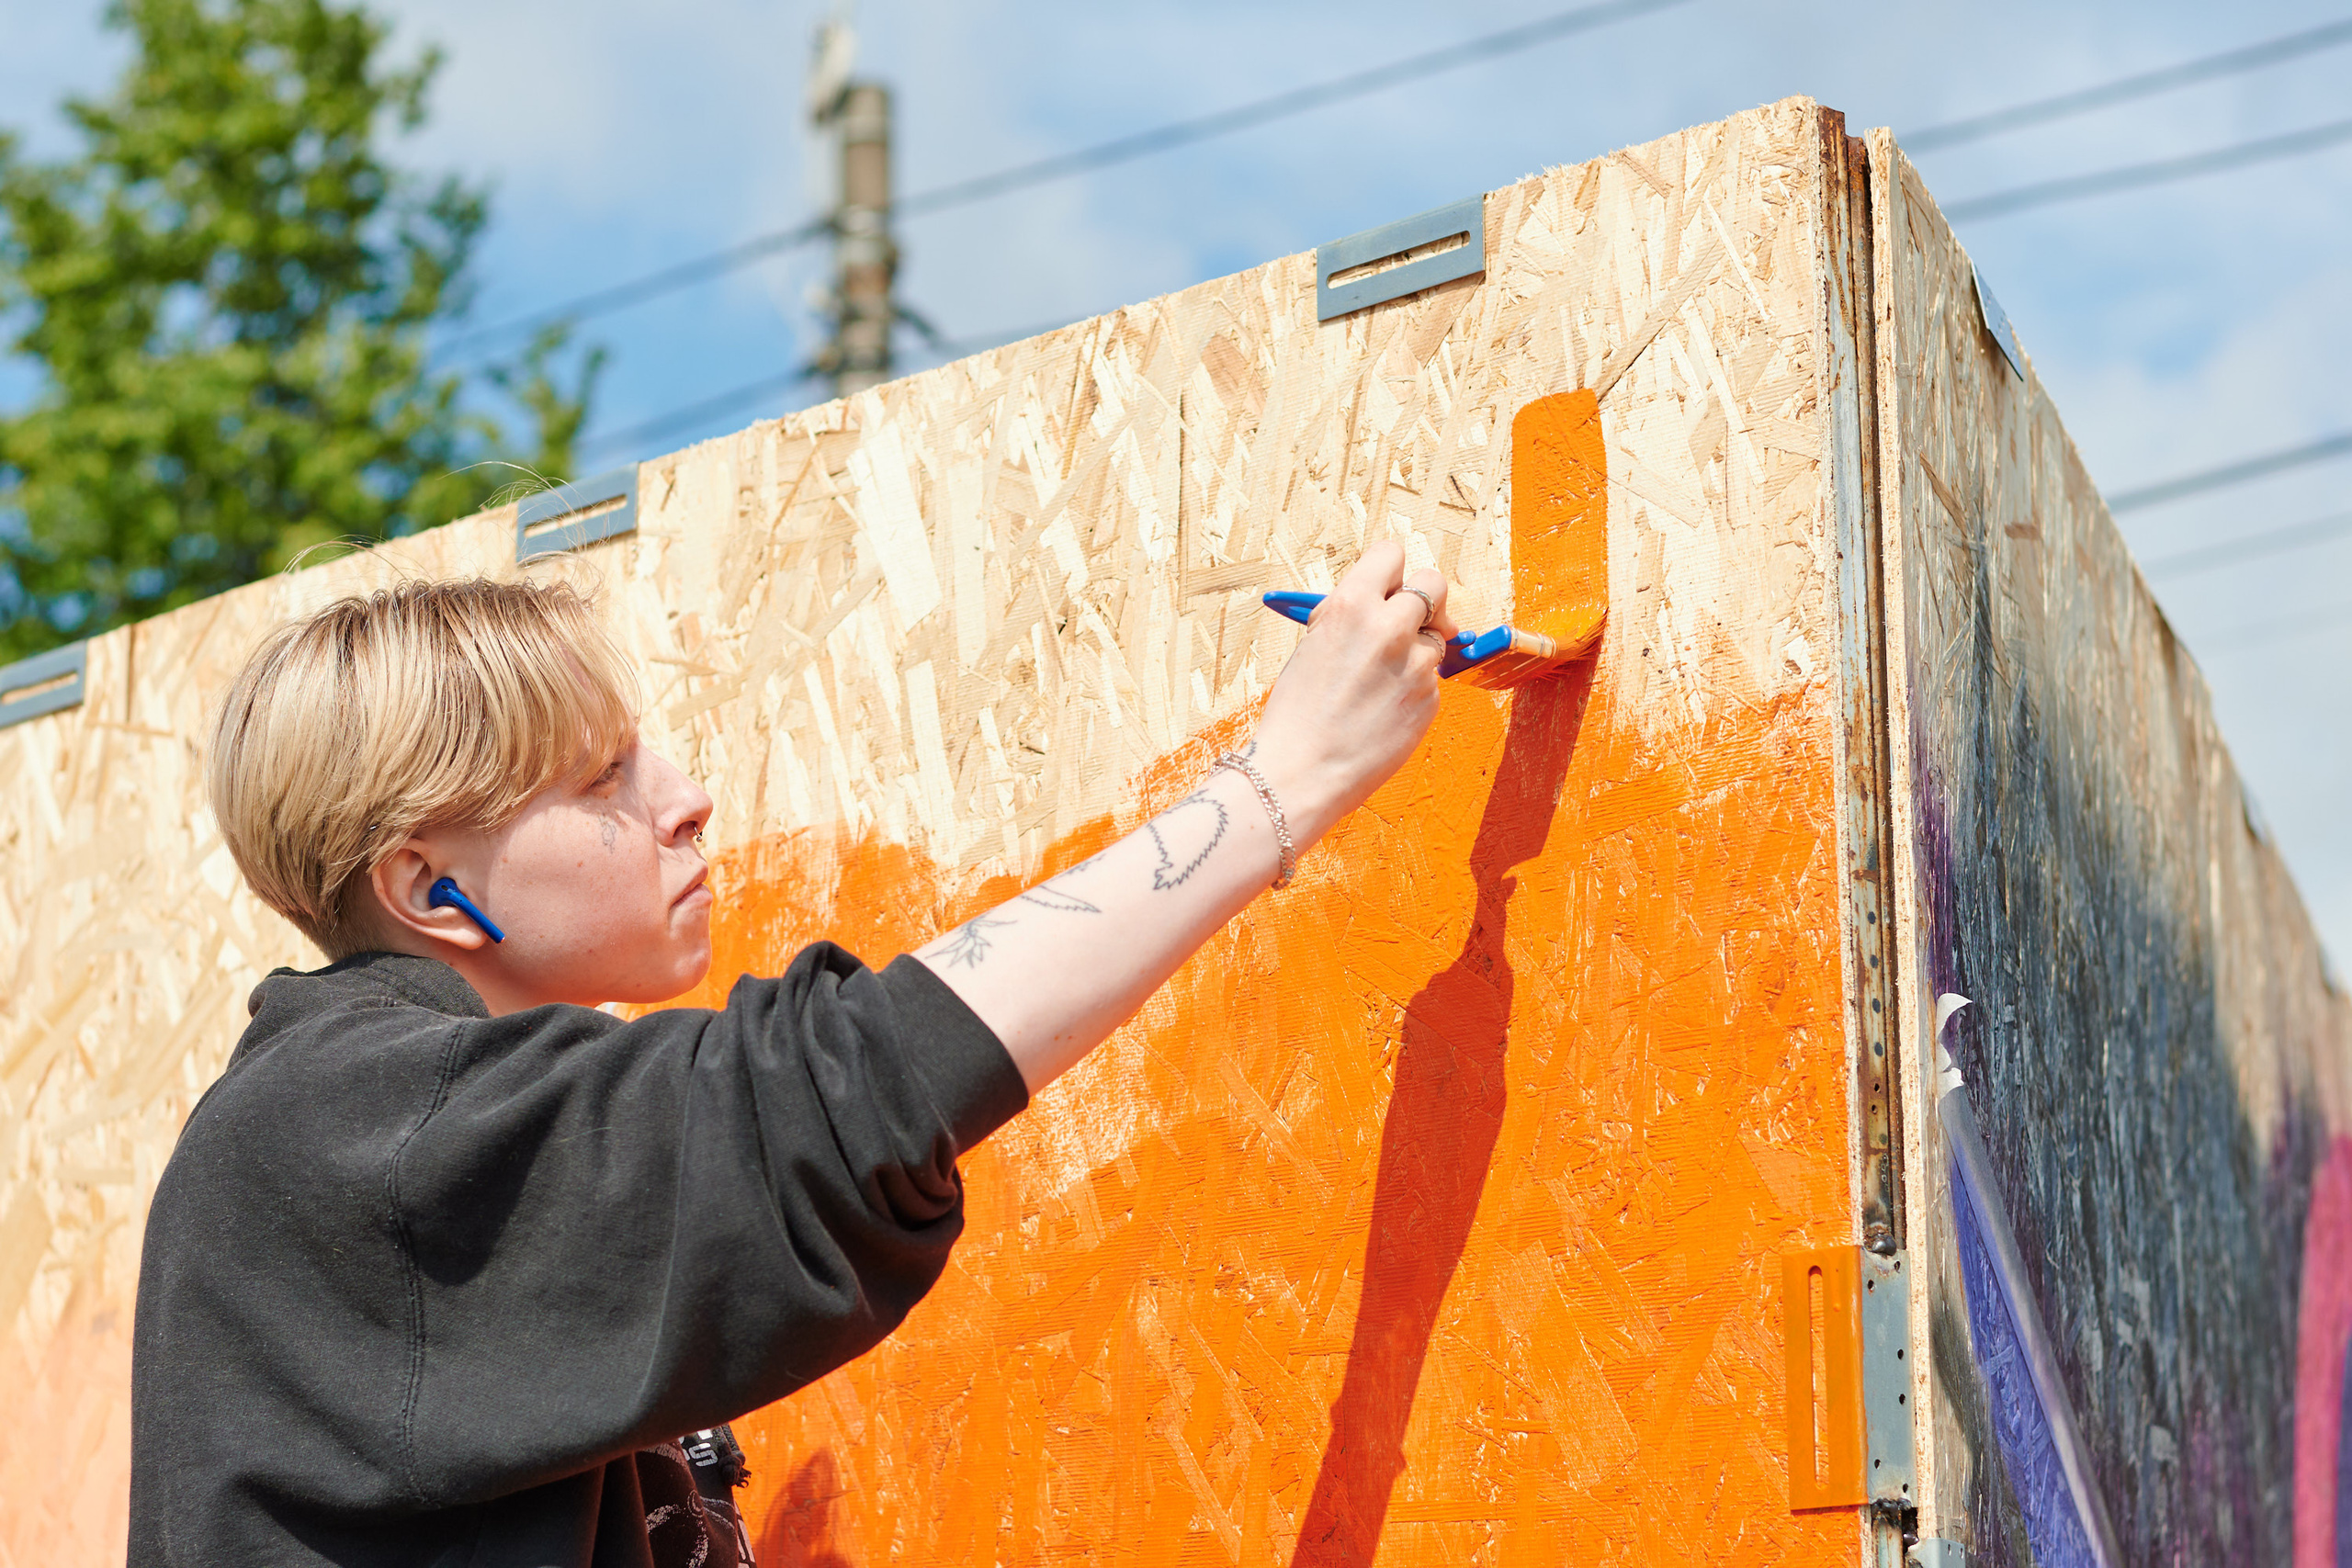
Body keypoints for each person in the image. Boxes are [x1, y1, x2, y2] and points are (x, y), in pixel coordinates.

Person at [130, 543, 1458, 1566]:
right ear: (430, 889)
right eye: (600, 780)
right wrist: (1281, 781)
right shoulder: (345, 1132)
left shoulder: (390, 1132)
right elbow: (845, 1098)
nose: (683, 798)